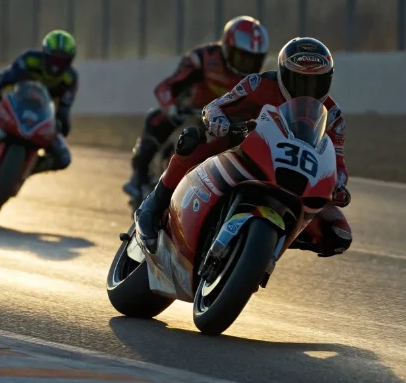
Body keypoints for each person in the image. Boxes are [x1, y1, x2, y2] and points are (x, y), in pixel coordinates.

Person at [134, 36, 352, 258]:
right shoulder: (259, 83)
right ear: (283, 74)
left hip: (299, 175)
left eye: (317, 82)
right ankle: (154, 203)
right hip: (248, 150)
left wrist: (339, 185)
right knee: (193, 140)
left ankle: (269, 243)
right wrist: (219, 121)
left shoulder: (334, 117)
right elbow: (217, 106)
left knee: (339, 233)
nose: (308, 90)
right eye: (299, 81)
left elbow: (339, 165)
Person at [123, 16, 270, 200]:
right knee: (157, 118)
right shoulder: (203, 58)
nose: (246, 65)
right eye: (241, 57)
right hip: (194, 116)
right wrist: (172, 108)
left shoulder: (261, 79)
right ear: (226, 48)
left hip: (232, 125)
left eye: (253, 60)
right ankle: (139, 176)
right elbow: (166, 87)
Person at [0, 29, 78, 176]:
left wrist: (62, 124)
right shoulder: (30, 59)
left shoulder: (70, 78)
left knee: (64, 159)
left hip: (40, 115)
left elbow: (64, 108)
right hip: (13, 102)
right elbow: (2, 81)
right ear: (44, 54)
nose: (56, 66)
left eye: (62, 61)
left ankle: (29, 169)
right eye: (53, 59)